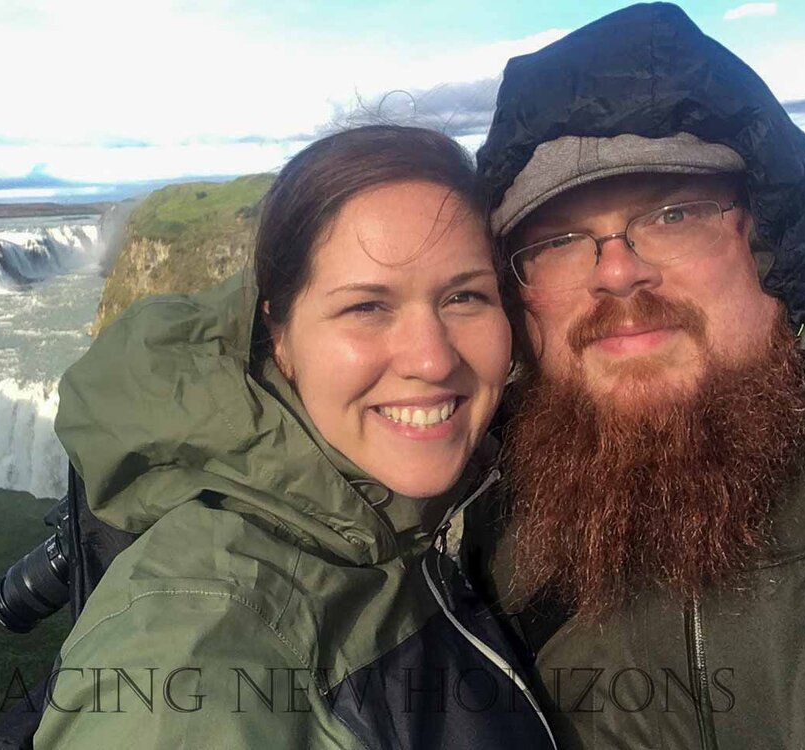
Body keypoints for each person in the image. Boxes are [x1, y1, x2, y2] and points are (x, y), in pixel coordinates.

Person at [34, 126, 556, 748]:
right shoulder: (190, 650)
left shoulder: (467, 499)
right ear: (278, 335)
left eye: (465, 296)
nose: (433, 360)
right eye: (367, 307)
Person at [466, 4, 805, 749]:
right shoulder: (465, 508)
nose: (618, 272)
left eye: (675, 213)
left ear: (770, 238)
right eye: (561, 239)